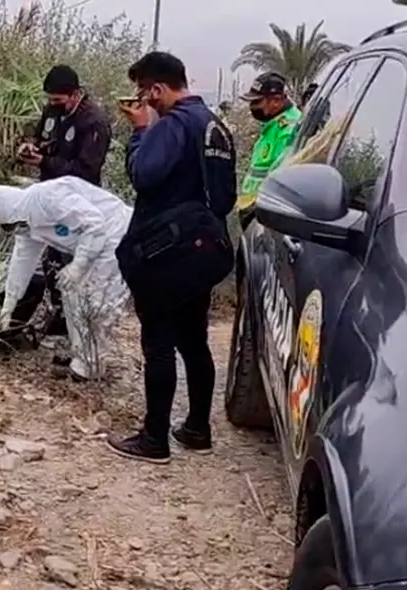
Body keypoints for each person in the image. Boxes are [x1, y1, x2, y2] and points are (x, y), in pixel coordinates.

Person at [110, 52, 236, 464]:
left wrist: (140, 132)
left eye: (144, 92)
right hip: (202, 251)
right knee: (194, 341)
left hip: (165, 253)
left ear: (157, 89)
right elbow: (226, 196)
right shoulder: (215, 126)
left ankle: (154, 439)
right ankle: (197, 429)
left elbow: (142, 176)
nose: (143, 100)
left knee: (159, 344)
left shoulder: (171, 125)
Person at [0, 176, 132, 381]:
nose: (13, 230)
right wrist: (7, 308)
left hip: (115, 235)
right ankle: (83, 358)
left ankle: (89, 366)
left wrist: (78, 266)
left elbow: (95, 225)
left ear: (14, 211)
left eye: (10, 225)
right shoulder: (27, 223)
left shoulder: (49, 197)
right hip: (95, 244)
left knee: (94, 301)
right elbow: (21, 263)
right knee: (71, 294)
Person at [17, 65, 112, 344]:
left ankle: (79, 327)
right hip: (50, 199)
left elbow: (86, 171)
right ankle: (58, 315)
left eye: (58, 100)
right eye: (50, 100)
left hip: (78, 204)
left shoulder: (94, 122)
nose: (53, 105)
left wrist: (45, 162)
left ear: (75, 94)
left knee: (74, 263)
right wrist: (31, 148)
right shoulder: (52, 112)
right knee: (51, 258)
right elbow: (43, 140)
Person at [237, 71, 302, 229]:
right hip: (254, 213)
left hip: (266, 217)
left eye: (257, 101)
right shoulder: (272, 125)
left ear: (276, 101)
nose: (252, 107)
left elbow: (280, 180)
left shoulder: (288, 130)